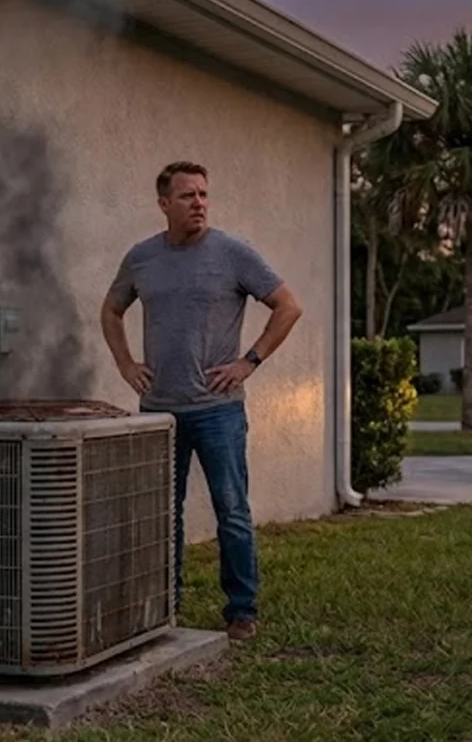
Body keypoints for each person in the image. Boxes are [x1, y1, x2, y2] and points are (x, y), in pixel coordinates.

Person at [99, 161, 303, 641]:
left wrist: (249, 361)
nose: (199, 203)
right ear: (164, 204)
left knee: (231, 509)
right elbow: (111, 309)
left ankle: (241, 611)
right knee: (162, 514)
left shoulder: (232, 253)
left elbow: (288, 306)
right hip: (160, 412)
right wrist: (127, 365)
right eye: (188, 196)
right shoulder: (142, 258)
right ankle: (164, 609)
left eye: (204, 195)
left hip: (218, 410)